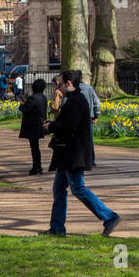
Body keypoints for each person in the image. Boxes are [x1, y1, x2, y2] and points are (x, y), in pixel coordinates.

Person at [43, 69, 120, 236]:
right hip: (67, 152)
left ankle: (109, 216)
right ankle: (57, 228)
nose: (58, 87)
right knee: (59, 189)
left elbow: (70, 128)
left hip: (73, 153)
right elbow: (67, 123)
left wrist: (52, 126)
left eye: (60, 84)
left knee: (78, 188)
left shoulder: (76, 102)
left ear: (68, 84)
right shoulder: (72, 100)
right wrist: (53, 124)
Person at [19, 78, 49, 174]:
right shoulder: (44, 97)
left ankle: (36, 166)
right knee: (35, 147)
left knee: (34, 147)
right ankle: (38, 166)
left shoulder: (33, 97)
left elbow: (26, 109)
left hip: (33, 125)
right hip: (39, 124)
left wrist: (21, 105)